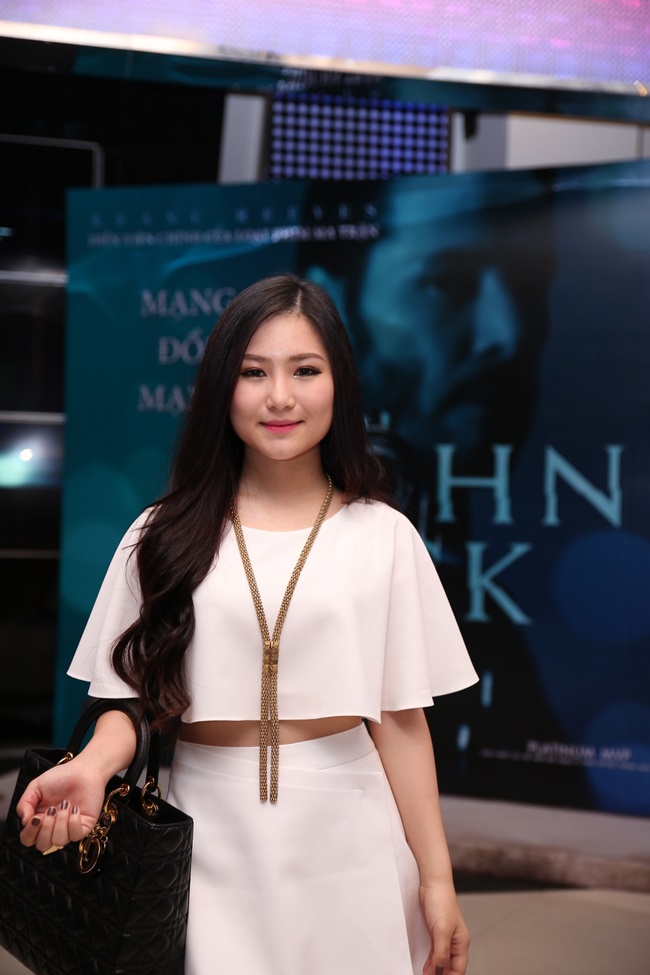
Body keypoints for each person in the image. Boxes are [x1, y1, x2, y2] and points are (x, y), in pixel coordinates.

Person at [16, 273, 478, 975]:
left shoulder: (384, 536)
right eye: (253, 372)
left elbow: (400, 721)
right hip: (203, 836)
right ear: (220, 387)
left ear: (340, 384)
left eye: (306, 370)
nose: (280, 396)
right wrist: (90, 765)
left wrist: (438, 880)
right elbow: (130, 701)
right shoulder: (161, 534)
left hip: (352, 840)